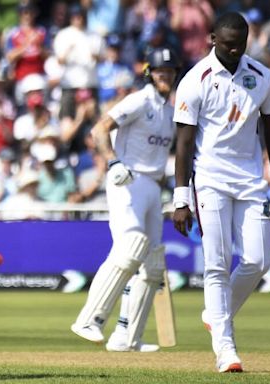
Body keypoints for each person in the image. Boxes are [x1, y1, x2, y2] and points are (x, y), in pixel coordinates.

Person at [172, 12, 270, 373]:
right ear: (212, 39)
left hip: (251, 181)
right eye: (227, 43)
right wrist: (180, 198)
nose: (234, 50)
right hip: (209, 179)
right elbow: (184, 143)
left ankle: (215, 315)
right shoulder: (195, 80)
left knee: (257, 262)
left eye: (240, 43)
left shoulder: (263, 78)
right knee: (217, 264)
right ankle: (225, 348)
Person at [71, 47, 180, 353]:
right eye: (160, 71)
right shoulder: (139, 99)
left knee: (153, 265)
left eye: (170, 72)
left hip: (153, 188)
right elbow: (99, 129)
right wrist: (112, 162)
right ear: (150, 72)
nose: (165, 76)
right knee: (130, 249)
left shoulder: (169, 111)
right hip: (126, 181)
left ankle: (127, 338)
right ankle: (89, 320)